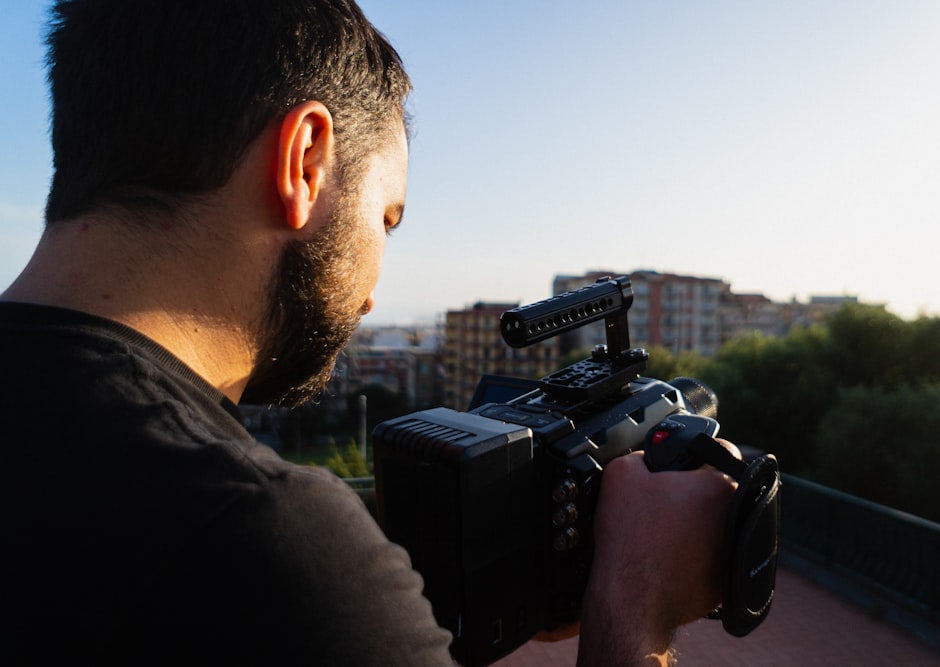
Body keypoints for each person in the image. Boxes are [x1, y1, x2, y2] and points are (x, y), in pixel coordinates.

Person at [0, 1, 738, 665]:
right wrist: (636, 602)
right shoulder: (258, 542)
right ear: (305, 163)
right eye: (385, 218)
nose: (371, 297)